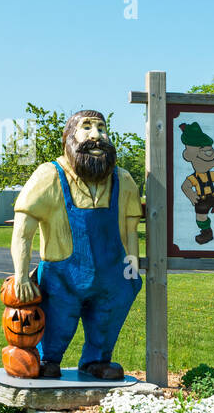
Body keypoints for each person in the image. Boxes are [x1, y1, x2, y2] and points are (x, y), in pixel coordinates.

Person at [10, 110, 143, 380]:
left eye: (102, 128)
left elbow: (130, 231)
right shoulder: (49, 176)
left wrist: (132, 269)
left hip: (111, 276)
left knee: (106, 322)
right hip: (63, 277)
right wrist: (21, 276)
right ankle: (49, 360)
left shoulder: (123, 180)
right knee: (57, 322)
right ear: (69, 138)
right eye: (87, 128)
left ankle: (96, 361)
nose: (96, 136)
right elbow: (23, 231)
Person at [178, 122, 214, 243]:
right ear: (191, 156)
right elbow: (185, 186)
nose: (212, 156)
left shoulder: (210, 174)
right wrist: (191, 195)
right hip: (202, 199)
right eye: (207, 152)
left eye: (211, 152)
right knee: (201, 217)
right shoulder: (194, 178)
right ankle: (206, 232)